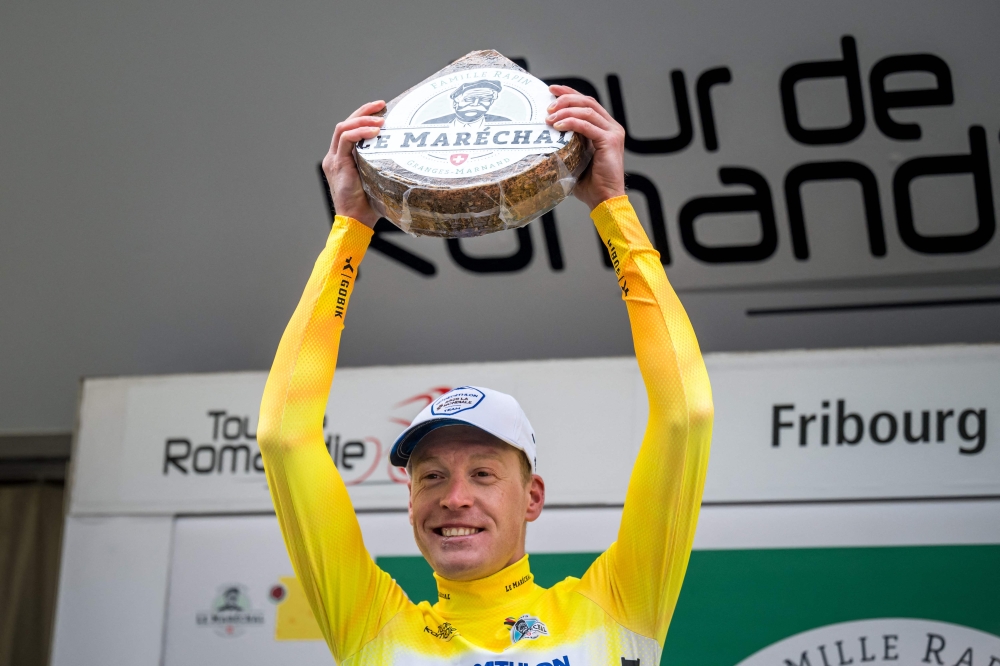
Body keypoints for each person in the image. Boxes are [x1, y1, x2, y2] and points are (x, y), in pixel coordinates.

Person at [258, 84, 714, 666]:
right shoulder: (372, 628)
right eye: (430, 477)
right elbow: (283, 437)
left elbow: (687, 414)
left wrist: (612, 207)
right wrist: (349, 226)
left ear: (532, 497)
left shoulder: (617, 609)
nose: (454, 498)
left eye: (482, 473)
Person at [422, 80, 511, 126]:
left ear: (491, 102)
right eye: (469, 99)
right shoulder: (431, 124)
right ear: (456, 101)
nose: (476, 103)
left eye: (484, 99)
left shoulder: (505, 124)